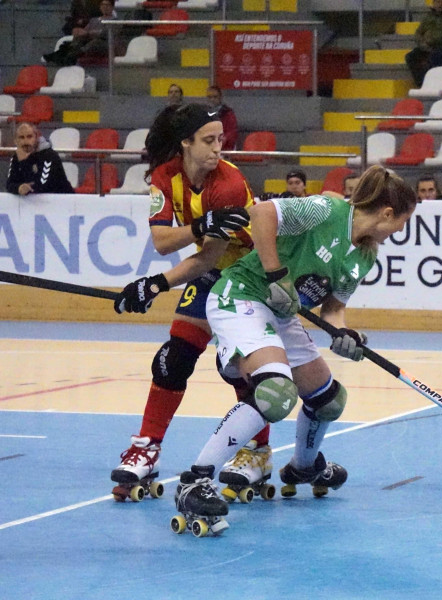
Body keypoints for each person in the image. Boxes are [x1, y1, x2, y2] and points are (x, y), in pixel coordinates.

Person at [171, 165, 418, 529]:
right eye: (403, 221)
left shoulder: (365, 256)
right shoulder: (326, 211)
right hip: (241, 296)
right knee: (275, 392)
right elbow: (262, 212)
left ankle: (304, 467)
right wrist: (275, 274)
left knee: (328, 399)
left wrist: (346, 336)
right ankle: (196, 480)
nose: (401, 230)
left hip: (279, 315)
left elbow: (333, 310)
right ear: (386, 214)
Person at [109, 103, 270, 500]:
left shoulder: (228, 184)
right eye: (209, 140)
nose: (218, 149)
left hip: (250, 274)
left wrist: (155, 284)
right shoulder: (164, 177)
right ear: (185, 142)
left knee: (237, 370)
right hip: (212, 273)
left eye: (220, 140)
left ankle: (258, 451)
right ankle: (146, 447)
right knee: (172, 358)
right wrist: (198, 227)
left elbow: (209, 257)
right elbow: (163, 242)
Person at [6, 122, 74, 196]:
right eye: (21, 137)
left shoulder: (49, 155)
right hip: (35, 204)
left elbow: (41, 186)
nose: (25, 141)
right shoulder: (16, 157)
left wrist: (24, 162)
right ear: (16, 141)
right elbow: (9, 184)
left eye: (29, 137)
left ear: (36, 138)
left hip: (64, 201)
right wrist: (19, 188)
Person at [44, 0, 116, 66]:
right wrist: (78, 31)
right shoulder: (94, 20)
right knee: (79, 37)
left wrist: (88, 33)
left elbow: (105, 33)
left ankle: (72, 54)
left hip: (104, 44)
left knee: (95, 42)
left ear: (112, 7)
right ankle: (62, 52)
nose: (105, 7)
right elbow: (84, 31)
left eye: (107, 5)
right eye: (103, 5)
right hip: (88, 41)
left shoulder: (115, 21)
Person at [405, 0, 442, 88]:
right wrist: (423, 44)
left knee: (435, 57)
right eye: (437, 2)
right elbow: (418, 33)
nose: (440, 5)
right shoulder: (428, 17)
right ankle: (421, 83)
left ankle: (431, 83)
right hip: (426, 46)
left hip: (441, 46)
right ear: (433, 3)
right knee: (410, 56)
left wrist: (428, 40)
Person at [206, 86, 238, 152]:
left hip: (225, 148)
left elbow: (232, 132)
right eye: (209, 97)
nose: (212, 99)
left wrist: (223, 139)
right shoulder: (204, 112)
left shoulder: (228, 113)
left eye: (215, 97)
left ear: (220, 97)